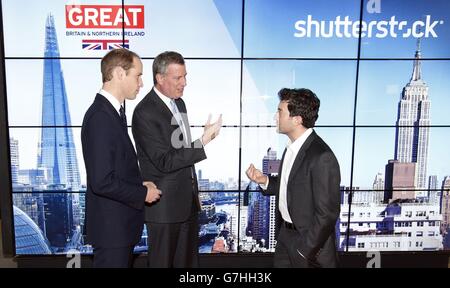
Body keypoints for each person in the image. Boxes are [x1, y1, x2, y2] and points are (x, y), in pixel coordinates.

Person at [132, 51, 222, 268]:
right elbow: (165, 161)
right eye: (178, 78)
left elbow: (181, 152)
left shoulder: (179, 104)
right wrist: (204, 140)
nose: (184, 83)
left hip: (187, 206)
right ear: (160, 78)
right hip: (163, 208)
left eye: (185, 76)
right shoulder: (144, 112)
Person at [81, 49, 161, 268]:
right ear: (118, 73)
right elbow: (102, 181)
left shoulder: (111, 113)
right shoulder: (100, 117)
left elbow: (113, 170)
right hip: (111, 232)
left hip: (116, 231)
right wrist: (143, 192)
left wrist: (138, 184)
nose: (142, 83)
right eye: (138, 75)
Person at [246, 88, 341, 268]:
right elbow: (291, 189)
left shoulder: (322, 156)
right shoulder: (292, 148)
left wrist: (305, 250)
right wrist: (264, 180)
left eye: (280, 112)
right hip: (285, 237)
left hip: (308, 247)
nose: (275, 117)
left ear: (297, 119)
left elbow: (327, 214)